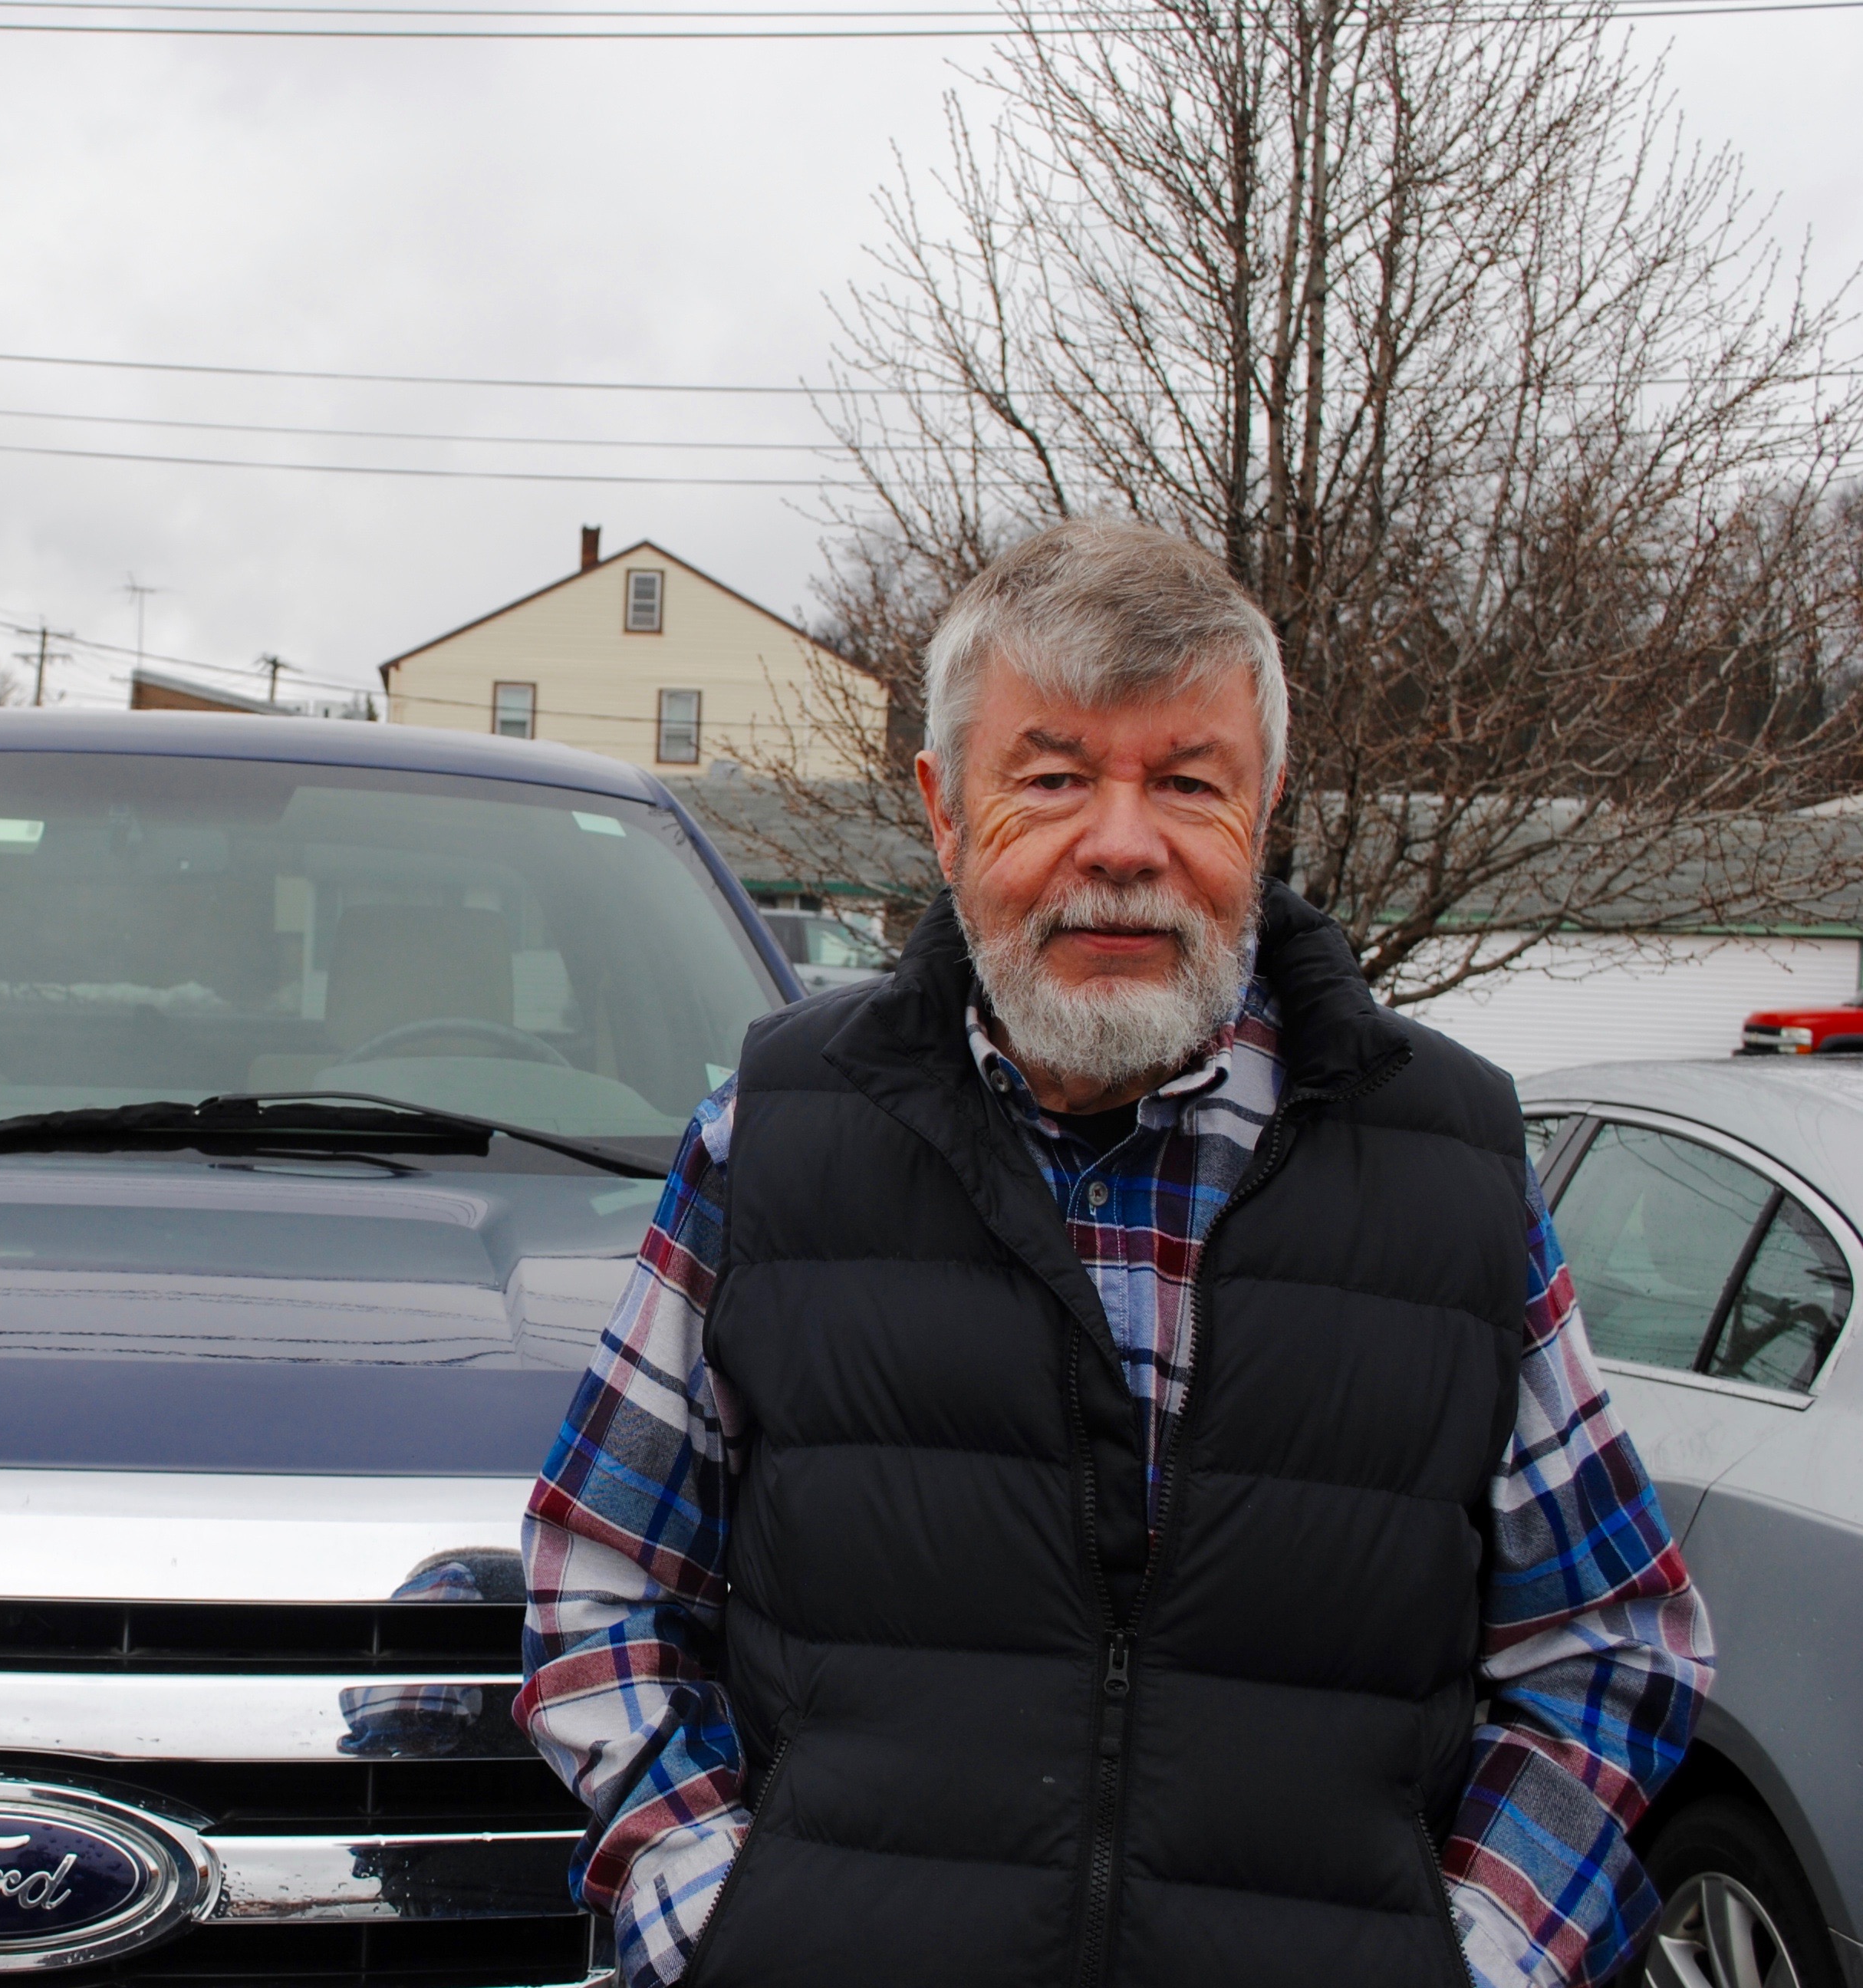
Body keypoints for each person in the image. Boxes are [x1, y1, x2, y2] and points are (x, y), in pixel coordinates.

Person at [515, 519, 1710, 1988]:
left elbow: (1610, 1649)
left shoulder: (1445, 1162)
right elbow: (600, 1587)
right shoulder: (777, 1136)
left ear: (1263, 809)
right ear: (945, 813)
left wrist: (1482, 1961)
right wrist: (718, 1917)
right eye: (1056, 777)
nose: (1125, 843)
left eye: (1188, 782)